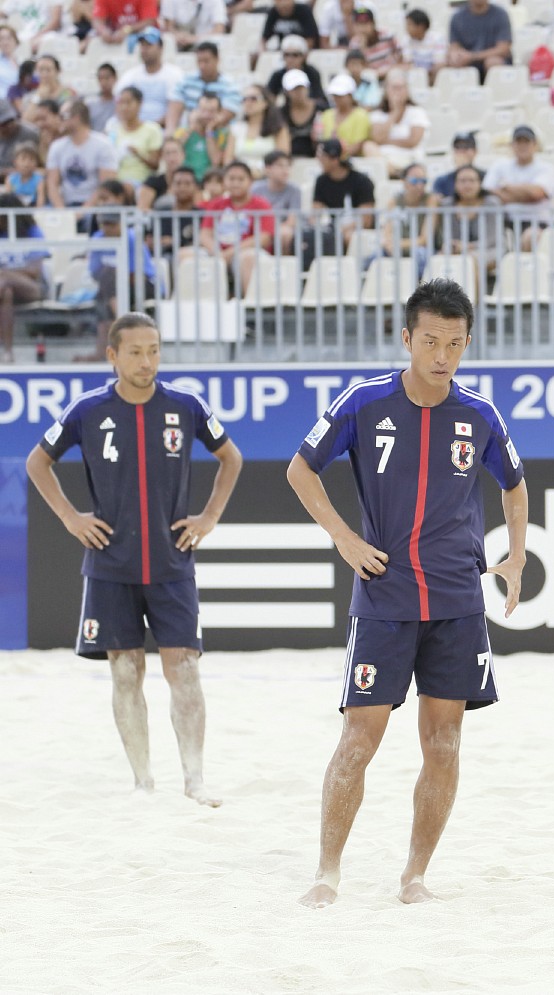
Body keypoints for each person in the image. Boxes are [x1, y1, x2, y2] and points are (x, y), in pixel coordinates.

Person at [287, 278, 527, 909]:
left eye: (454, 343)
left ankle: (415, 875)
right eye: (430, 341)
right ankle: (327, 872)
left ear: (467, 342)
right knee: (359, 740)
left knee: (443, 743)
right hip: (385, 598)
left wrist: (518, 554)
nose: (442, 355)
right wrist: (343, 537)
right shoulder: (365, 402)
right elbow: (299, 469)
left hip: (457, 603)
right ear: (406, 339)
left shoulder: (479, 414)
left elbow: (515, 484)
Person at [26, 312, 240, 803]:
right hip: (110, 565)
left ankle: (194, 779)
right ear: (113, 356)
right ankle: (143, 781)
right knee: (125, 670)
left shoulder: (186, 406)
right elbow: (38, 462)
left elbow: (232, 457)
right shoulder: (88, 409)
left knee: (184, 668)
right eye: (137, 352)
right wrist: (70, 517)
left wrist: (208, 517)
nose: (148, 361)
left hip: (171, 564)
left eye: (155, 350)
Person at [89, 183, 158, 350]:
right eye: (105, 224)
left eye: (112, 224)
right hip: (111, 288)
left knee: (107, 285)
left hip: (142, 285)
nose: (108, 228)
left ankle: (111, 341)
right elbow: (93, 272)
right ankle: (113, 342)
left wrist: (114, 276)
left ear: (121, 223)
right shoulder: (97, 239)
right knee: (103, 293)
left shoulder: (133, 238)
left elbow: (140, 274)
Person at [483, 125, 554, 250]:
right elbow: (487, 192)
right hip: (505, 219)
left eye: (526, 142)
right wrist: (525, 193)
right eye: (518, 142)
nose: (522, 146)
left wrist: (506, 188)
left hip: (536, 221)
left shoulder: (546, 168)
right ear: (512, 145)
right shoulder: (500, 165)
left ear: (535, 145)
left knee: (531, 237)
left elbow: (537, 193)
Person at [199, 159, 273, 286]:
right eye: (231, 179)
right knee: (186, 255)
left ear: (250, 181)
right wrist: (218, 253)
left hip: (246, 251)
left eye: (240, 179)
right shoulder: (216, 204)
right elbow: (205, 234)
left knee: (248, 258)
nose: (236, 183)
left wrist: (230, 253)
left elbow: (264, 237)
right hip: (217, 252)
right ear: (225, 181)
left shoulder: (261, 205)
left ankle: (250, 304)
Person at [0, 193, 47, 361]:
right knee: (6, 292)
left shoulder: (33, 232)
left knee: (3, 280)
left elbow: (34, 271)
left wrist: (5, 273)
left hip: (33, 288)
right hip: (6, 290)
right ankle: (8, 352)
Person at [46, 100, 117, 209]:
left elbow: (106, 186)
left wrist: (83, 212)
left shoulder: (103, 145)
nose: (59, 120)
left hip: (95, 207)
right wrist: (62, 211)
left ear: (77, 117)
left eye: (63, 116)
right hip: (65, 205)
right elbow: (52, 184)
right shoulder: (56, 147)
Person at [165, 41, 242, 133]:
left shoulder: (230, 85)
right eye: (199, 61)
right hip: (189, 132)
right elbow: (174, 106)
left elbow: (225, 115)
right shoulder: (186, 81)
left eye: (206, 61)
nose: (202, 66)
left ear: (217, 59)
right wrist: (170, 133)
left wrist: (200, 121)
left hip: (216, 132)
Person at [311, 137, 374, 247]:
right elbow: (315, 214)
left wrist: (340, 230)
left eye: (322, 156)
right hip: (333, 228)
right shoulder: (321, 181)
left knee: (349, 237)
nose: (319, 160)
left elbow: (365, 220)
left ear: (335, 159)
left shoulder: (362, 181)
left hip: (354, 230)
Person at [364, 69, 428, 176]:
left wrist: (386, 141)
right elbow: (377, 138)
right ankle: (394, 172)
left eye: (401, 88)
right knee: (368, 145)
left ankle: (399, 173)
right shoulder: (377, 115)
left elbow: (413, 141)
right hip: (385, 159)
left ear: (407, 91)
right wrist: (394, 113)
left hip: (410, 158)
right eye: (394, 88)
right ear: (386, 91)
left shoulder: (417, 112)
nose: (397, 92)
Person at [117, 27, 184, 125]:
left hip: (163, 130)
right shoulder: (130, 75)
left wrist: (150, 128)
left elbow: (176, 107)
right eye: (142, 45)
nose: (144, 49)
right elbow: (120, 104)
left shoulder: (174, 74)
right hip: (134, 130)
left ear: (161, 48)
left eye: (149, 45)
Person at [378, 160, 436, 271]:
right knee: (375, 257)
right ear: (403, 181)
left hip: (421, 249)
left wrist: (398, 244)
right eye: (414, 180)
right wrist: (390, 245)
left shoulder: (430, 200)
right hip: (398, 247)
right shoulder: (394, 201)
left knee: (420, 255)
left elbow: (425, 240)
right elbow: (387, 234)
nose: (420, 185)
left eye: (423, 181)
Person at [439, 163, 499, 267]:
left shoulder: (491, 203)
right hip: (457, 251)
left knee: (470, 260)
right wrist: (451, 246)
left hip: (490, 249)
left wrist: (467, 247)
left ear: (480, 183)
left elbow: (491, 239)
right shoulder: (447, 204)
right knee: (439, 258)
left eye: (472, 180)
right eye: (462, 181)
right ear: (455, 184)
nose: (467, 185)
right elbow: (445, 237)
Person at [107, 85, 164, 185]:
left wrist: (138, 154)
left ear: (140, 104)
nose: (124, 107)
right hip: (115, 181)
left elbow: (155, 165)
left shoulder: (152, 129)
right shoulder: (113, 130)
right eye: (121, 103)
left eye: (128, 103)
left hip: (142, 183)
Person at [232, 84, 290, 176]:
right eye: (244, 99)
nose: (248, 102)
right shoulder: (236, 128)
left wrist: (260, 173)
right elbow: (229, 160)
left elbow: (282, 160)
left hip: (268, 180)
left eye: (253, 98)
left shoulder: (278, 129)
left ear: (265, 102)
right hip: (240, 181)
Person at [250, 149, 301, 253]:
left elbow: (291, 221)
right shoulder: (255, 189)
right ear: (267, 169)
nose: (285, 170)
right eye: (280, 166)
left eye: (288, 166)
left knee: (285, 233)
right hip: (259, 228)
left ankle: (284, 265)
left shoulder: (295, 190)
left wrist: (270, 230)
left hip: (280, 229)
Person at [172, 91, 231, 180]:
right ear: (196, 111)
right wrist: (191, 126)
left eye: (211, 111)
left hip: (208, 182)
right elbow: (173, 153)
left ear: (219, 113)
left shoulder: (223, 134)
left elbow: (215, 161)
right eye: (203, 110)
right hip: (185, 180)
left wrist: (209, 130)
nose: (206, 115)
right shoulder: (182, 131)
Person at [446, 0, 512, 78]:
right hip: (466, 60)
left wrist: (472, 56)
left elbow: (503, 49)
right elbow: (454, 46)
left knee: (492, 62)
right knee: (448, 62)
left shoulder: (501, 15)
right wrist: (456, 56)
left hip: (493, 59)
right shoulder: (457, 17)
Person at [148, 164, 198, 261]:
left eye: (187, 183)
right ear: (171, 186)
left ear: (195, 187)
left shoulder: (202, 214)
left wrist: (172, 241)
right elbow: (150, 240)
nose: (182, 187)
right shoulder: (160, 213)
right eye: (178, 183)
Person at [315, 74, 372, 152]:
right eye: (335, 95)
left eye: (340, 95)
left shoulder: (361, 115)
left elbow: (357, 146)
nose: (336, 99)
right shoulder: (326, 115)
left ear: (350, 96)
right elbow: (320, 139)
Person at [268, 35, 328, 107]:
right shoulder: (277, 75)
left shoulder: (312, 73)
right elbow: (269, 99)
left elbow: (319, 99)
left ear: (304, 56)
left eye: (295, 55)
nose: (290, 59)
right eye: (286, 55)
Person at [134, 133, 185, 209]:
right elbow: (143, 208)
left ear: (183, 155)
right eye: (167, 153)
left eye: (175, 152)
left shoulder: (192, 181)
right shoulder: (153, 182)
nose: (172, 158)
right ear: (162, 157)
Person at [22, 55, 75, 127]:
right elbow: (25, 123)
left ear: (58, 71)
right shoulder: (30, 96)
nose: (44, 74)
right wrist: (38, 97)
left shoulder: (69, 93)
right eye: (40, 70)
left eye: (48, 70)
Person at [349, 6, 400, 77]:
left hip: (391, 75)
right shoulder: (354, 44)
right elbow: (358, 69)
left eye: (365, 23)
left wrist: (390, 69)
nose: (362, 28)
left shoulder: (387, 35)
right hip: (371, 79)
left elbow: (402, 57)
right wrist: (362, 48)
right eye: (359, 24)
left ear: (373, 23)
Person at [281, 69, 320, 157]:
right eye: (294, 89)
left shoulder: (321, 109)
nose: (298, 92)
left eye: (301, 88)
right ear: (286, 92)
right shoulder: (281, 112)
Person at [401, 8, 446, 82]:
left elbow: (439, 64)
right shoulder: (406, 40)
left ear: (421, 26)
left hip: (434, 78)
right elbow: (408, 64)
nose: (406, 28)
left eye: (409, 24)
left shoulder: (437, 39)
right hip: (415, 79)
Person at [432, 130, 478, 200]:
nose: (462, 150)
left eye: (466, 146)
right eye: (458, 147)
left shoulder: (485, 177)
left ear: (475, 151)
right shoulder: (442, 181)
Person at [161, 0, 226, 48]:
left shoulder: (216, 1)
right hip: (178, 44)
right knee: (166, 39)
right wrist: (178, 35)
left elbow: (219, 29)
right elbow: (168, 27)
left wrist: (194, 39)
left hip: (205, 44)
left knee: (217, 40)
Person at [0, 101, 42, 174]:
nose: (9, 125)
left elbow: (39, 165)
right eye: (4, 123)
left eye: (11, 120)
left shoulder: (31, 133)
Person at [92, 0, 158, 45]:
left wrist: (127, 30)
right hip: (114, 36)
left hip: (143, 36)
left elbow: (149, 21)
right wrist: (103, 30)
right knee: (91, 39)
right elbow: (97, 20)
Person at [88, 64, 118, 132]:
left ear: (115, 78)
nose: (104, 82)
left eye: (107, 78)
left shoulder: (121, 103)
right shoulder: (91, 104)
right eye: (100, 78)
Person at [0, 26, 22, 94]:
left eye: (9, 38)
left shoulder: (23, 61)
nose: (5, 42)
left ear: (15, 40)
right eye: (1, 39)